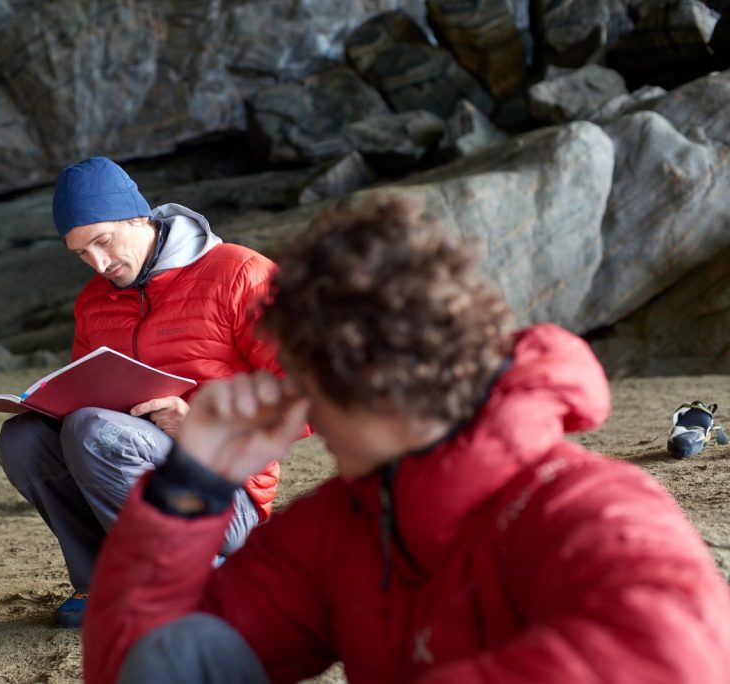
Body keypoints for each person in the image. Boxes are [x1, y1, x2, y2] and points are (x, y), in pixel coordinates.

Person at [82, 198, 730, 682]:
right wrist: (188, 485)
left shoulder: (589, 508)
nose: (293, 405)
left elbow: (681, 658)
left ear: (359, 382)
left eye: (300, 381)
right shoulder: (342, 526)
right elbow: (140, 667)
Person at [0, 156, 303, 628]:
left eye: (102, 242)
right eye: (80, 253)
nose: (97, 264)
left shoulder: (240, 273)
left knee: (94, 430)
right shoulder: (93, 301)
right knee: (22, 439)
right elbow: (80, 396)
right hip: (129, 459)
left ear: (140, 217)